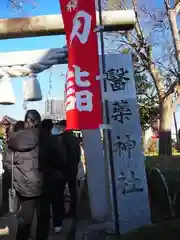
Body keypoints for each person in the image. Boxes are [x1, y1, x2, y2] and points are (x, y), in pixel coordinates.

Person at [3, 110, 43, 240]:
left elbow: (7, 164)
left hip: (20, 185)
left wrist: (18, 175)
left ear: (26, 121)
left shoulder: (14, 139)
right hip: (40, 183)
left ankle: (22, 236)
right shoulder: (43, 137)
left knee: (24, 214)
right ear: (36, 122)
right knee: (41, 215)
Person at [40, 119, 66, 234]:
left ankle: (43, 228)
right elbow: (62, 159)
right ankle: (57, 225)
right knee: (57, 202)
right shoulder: (54, 140)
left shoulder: (37, 140)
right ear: (51, 127)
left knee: (44, 205)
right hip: (55, 176)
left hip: (41, 177)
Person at [58, 120, 81, 218]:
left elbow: (61, 155)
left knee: (60, 191)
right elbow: (78, 155)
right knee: (73, 191)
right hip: (73, 168)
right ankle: (74, 211)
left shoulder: (62, 139)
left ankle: (61, 210)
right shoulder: (75, 139)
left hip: (64, 169)